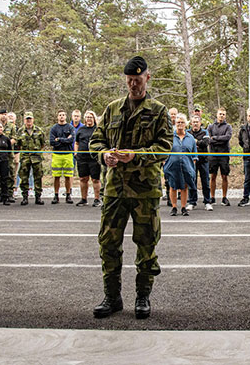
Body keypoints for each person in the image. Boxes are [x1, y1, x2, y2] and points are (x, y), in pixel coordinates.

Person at [89, 56, 173, 320]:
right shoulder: (113, 109)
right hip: (115, 189)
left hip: (144, 190)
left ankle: (143, 297)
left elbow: (165, 148)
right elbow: (96, 141)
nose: (133, 85)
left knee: (146, 244)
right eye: (129, 81)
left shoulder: (158, 111)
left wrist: (136, 155)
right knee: (108, 244)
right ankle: (112, 297)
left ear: (148, 78)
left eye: (138, 80)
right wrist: (104, 155)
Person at [164, 114, 197, 216]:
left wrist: (191, 167)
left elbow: (194, 155)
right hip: (173, 166)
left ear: (186, 124)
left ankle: (183, 207)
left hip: (186, 166)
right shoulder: (170, 137)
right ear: (175, 124)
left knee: (184, 186)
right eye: (178, 122)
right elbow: (165, 152)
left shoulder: (190, 138)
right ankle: (174, 207)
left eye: (182, 122)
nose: (180, 124)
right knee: (173, 186)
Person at [15, 112, 45, 205]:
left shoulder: (39, 130)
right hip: (25, 157)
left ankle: (38, 197)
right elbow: (18, 144)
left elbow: (42, 143)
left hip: (36, 157)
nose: (28, 121)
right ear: (24, 120)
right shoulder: (20, 131)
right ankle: (24, 197)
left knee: (38, 177)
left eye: (30, 119)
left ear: (33, 120)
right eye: (27, 119)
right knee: (24, 177)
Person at [74, 110, 102, 207]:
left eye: (91, 117)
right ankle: (84, 199)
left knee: (95, 179)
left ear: (94, 118)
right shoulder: (81, 130)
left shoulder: (97, 129)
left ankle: (97, 199)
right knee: (83, 178)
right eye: (87, 117)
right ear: (85, 119)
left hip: (94, 158)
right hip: (82, 158)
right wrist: (76, 153)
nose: (89, 119)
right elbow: (76, 143)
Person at [185, 114, 212, 211]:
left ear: (200, 123)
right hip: (192, 161)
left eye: (197, 122)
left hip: (203, 160)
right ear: (191, 123)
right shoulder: (187, 132)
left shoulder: (205, 132)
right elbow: (186, 144)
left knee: (205, 181)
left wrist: (195, 142)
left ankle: (207, 202)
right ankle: (192, 202)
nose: (195, 124)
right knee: (192, 181)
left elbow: (205, 143)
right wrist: (196, 143)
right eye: (193, 122)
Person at [49, 109, 76, 204]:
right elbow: (52, 142)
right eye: (60, 115)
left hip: (68, 154)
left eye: (63, 115)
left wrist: (59, 139)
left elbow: (71, 140)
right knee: (56, 176)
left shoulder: (70, 127)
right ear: (57, 116)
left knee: (68, 176)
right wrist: (65, 139)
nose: (61, 116)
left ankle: (68, 195)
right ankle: (56, 195)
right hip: (57, 155)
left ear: (66, 116)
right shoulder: (54, 128)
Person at [208, 108, 233, 206]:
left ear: (225, 115)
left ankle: (224, 197)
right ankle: (212, 197)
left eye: (223, 114)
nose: (221, 116)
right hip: (213, 154)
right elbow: (209, 139)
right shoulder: (211, 126)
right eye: (220, 114)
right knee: (213, 176)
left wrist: (215, 138)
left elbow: (227, 138)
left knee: (224, 176)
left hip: (224, 155)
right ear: (217, 114)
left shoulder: (228, 127)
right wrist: (216, 139)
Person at [0, 122, 12, 206]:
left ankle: (5, 197)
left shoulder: (6, 138)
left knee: (4, 179)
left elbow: (10, 150)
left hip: (4, 160)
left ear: (3, 128)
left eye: (0, 127)